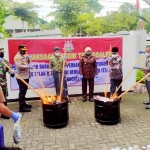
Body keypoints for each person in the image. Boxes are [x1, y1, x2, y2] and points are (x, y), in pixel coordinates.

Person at [14, 45, 32, 112]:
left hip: (26, 76)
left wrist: (29, 59)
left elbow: (27, 62)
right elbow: (19, 66)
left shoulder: (24, 55)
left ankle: (24, 103)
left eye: (25, 50)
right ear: (19, 49)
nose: (24, 51)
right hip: (21, 77)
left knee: (25, 90)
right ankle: (21, 107)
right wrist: (28, 66)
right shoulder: (17, 57)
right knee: (22, 91)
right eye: (23, 50)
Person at [0, 47, 15, 119]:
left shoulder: (4, 61)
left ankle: (4, 113)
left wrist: (11, 73)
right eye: (1, 52)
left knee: (4, 98)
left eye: (3, 52)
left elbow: (9, 68)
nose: (2, 53)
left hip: (3, 83)